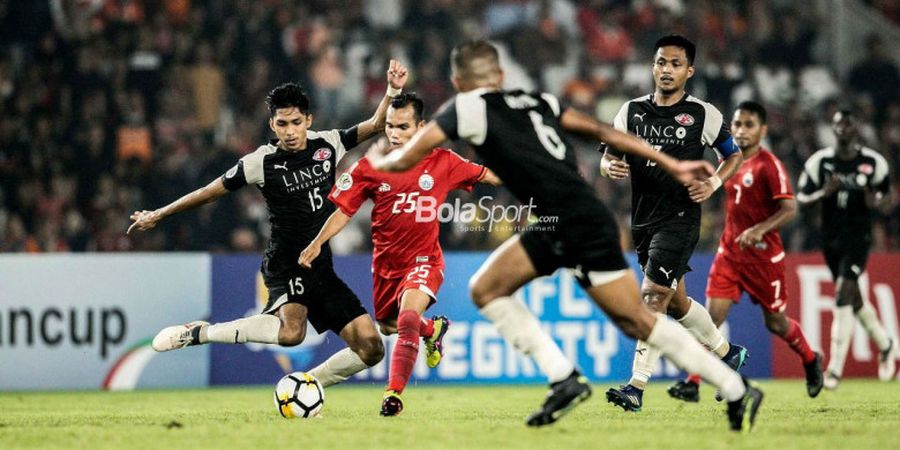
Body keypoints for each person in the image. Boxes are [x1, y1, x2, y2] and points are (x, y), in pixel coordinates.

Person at [366, 40, 762, 431]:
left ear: (457, 80)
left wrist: (379, 160)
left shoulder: (467, 106)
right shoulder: (540, 101)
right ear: (501, 76)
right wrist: (670, 164)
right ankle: (572, 380)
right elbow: (597, 130)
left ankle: (725, 385)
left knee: (632, 318)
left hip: (572, 221)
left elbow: (410, 155)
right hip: (578, 217)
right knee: (494, 289)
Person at [128, 60, 410, 390]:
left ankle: (306, 385)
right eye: (282, 123)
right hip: (285, 261)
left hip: (321, 265)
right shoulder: (260, 162)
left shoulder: (328, 143)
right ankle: (200, 332)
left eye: (295, 122)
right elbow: (208, 192)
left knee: (371, 348)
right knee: (292, 333)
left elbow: (378, 124)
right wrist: (160, 214)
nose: (289, 131)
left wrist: (393, 89)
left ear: (308, 120)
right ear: (272, 125)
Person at [298, 93, 501, 416]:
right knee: (390, 326)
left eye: (403, 126)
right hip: (386, 266)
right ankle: (431, 330)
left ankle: (393, 395)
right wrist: (317, 242)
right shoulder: (370, 166)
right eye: (390, 126)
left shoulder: (443, 162)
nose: (394, 133)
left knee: (407, 317)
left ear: (421, 127)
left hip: (425, 261)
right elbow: (343, 211)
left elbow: (488, 175)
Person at [601, 34, 746, 411]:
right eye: (661, 62)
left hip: (680, 218)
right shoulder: (630, 111)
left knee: (652, 296)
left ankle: (636, 386)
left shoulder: (702, 114)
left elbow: (733, 154)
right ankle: (728, 355)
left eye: (675, 64)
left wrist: (714, 182)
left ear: (689, 70)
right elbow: (608, 154)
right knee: (677, 303)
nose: (667, 70)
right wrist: (608, 165)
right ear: (652, 66)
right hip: (643, 218)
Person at [667, 101, 824, 402]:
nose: (741, 130)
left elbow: (790, 208)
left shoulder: (770, 165)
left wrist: (760, 229)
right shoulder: (730, 161)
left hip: (764, 259)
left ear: (763, 130)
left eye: (749, 125)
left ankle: (809, 358)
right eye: (737, 124)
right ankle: (694, 381)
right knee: (710, 319)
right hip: (730, 253)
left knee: (775, 322)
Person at [797, 109, 897, 389]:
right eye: (839, 123)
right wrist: (822, 194)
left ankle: (835, 370)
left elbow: (888, 198)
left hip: (859, 238)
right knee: (854, 299)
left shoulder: (872, 162)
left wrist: (876, 203)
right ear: (833, 128)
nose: (843, 128)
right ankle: (886, 345)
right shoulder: (821, 162)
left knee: (843, 293)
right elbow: (801, 197)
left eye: (848, 124)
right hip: (830, 239)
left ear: (857, 129)